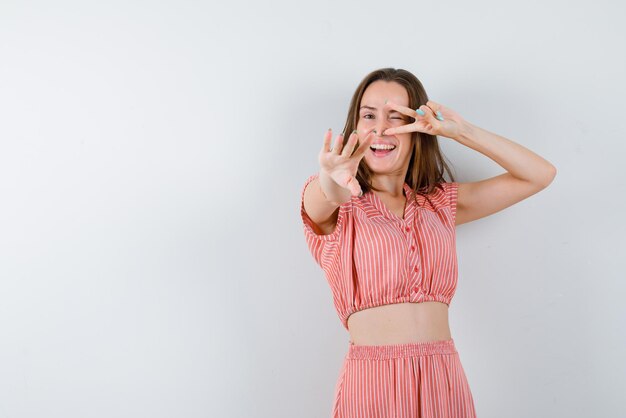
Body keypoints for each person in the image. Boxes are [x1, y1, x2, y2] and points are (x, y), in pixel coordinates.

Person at [300, 68, 556, 417]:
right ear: (354, 126)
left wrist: (462, 131)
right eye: (369, 115)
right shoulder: (340, 206)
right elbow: (324, 197)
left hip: (442, 377)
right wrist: (331, 174)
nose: (379, 129)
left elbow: (539, 175)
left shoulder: (438, 204)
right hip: (373, 381)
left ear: (417, 128)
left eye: (395, 117)